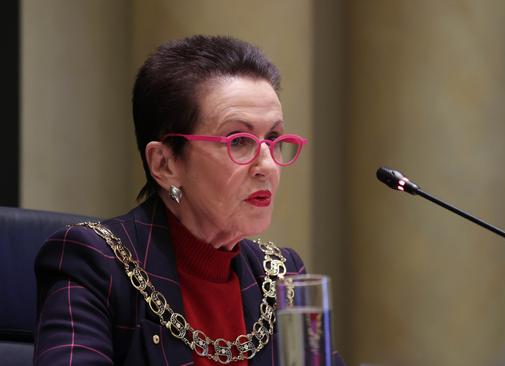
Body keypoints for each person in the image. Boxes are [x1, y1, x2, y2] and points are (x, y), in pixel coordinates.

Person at [33, 35, 343, 365]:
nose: (267, 165)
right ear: (165, 164)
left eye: (273, 138)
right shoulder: (95, 263)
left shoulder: (282, 275)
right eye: (239, 141)